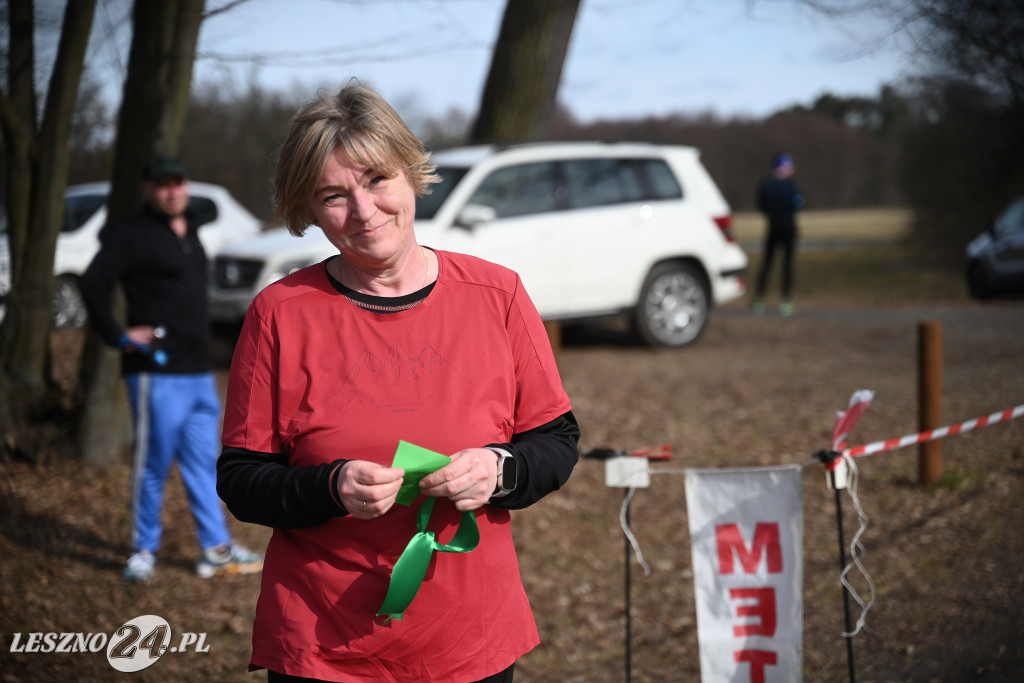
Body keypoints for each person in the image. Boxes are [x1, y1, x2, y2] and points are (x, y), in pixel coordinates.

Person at [217, 83, 580, 682]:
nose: (363, 211)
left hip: (468, 640)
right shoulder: (280, 313)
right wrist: (331, 487)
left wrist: (498, 468)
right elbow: (242, 479)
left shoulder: (498, 295)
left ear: (412, 173)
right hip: (322, 645)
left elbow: (557, 442)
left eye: (378, 179)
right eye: (333, 195)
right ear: (305, 209)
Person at [79, 156, 264, 583]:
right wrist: (120, 335)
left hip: (198, 373)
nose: (172, 191)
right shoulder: (132, 234)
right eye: (162, 184)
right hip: (155, 374)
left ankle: (215, 549)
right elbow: (92, 283)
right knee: (153, 465)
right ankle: (143, 550)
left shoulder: (192, 228)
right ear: (147, 189)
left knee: (204, 463)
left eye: (178, 183)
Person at [751, 152, 804, 316]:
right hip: (788, 227)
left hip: (772, 227)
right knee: (787, 265)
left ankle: (758, 300)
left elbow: (761, 206)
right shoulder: (791, 185)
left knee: (767, 263)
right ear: (786, 167)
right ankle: (785, 301)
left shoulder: (765, 184)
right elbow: (799, 203)